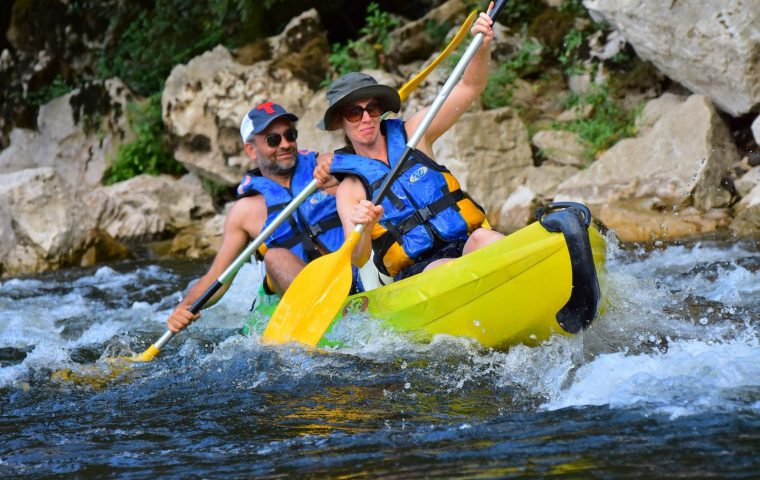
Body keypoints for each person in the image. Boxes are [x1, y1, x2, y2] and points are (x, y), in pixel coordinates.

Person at [314, 4, 504, 282]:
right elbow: (358, 257)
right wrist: (363, 227)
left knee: (486, 237)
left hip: (464, 244)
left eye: (373, 108)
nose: (366, 117)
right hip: (418, 271)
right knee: (444, 270)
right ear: (340, 122)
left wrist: (482, 45)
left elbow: (469, 88)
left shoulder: (415, 133)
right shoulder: (350, 189)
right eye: (354, 112)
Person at [166, 101, 343, 334]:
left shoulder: (324, 168)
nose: (286, 144)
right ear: (251, 149)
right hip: (306, 293)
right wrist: (184, 307)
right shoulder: (245, 211)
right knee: (275, 258)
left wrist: (341, 173)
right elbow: (218, 277)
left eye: (290, 135)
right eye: (273, 140)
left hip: (350, 270)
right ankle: (331, 319)